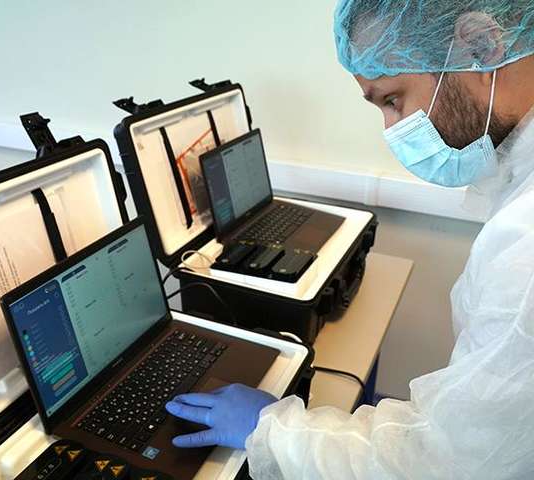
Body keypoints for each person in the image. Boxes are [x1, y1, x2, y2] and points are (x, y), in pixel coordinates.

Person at [165, 1, 534, 478]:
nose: (393, 129)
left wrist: (272, 431)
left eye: (392, 99)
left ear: (482, 46)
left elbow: (448, 462)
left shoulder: (525, 246)